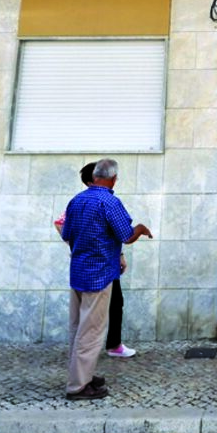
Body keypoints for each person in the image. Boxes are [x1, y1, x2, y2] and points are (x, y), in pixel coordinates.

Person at [59, 158, 153, 399]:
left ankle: (83, 375)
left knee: (77, 328)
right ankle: (78, 386)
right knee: (91, 331)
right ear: (113, 179)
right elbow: (126, 235)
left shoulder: (76, 200)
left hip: (78, 271)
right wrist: (141, 228)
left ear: (94, 176)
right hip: (99, 275)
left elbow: (66, 233)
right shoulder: (110, 202)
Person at [79, 162, 136, 358]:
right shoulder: (104, 202)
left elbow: (65, 229)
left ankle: (108, 345)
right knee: (100, 309)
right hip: (100, 267)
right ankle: (92, 352)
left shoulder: (79, 201)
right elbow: (124, 234)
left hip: (93, 265)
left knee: (112, 304)